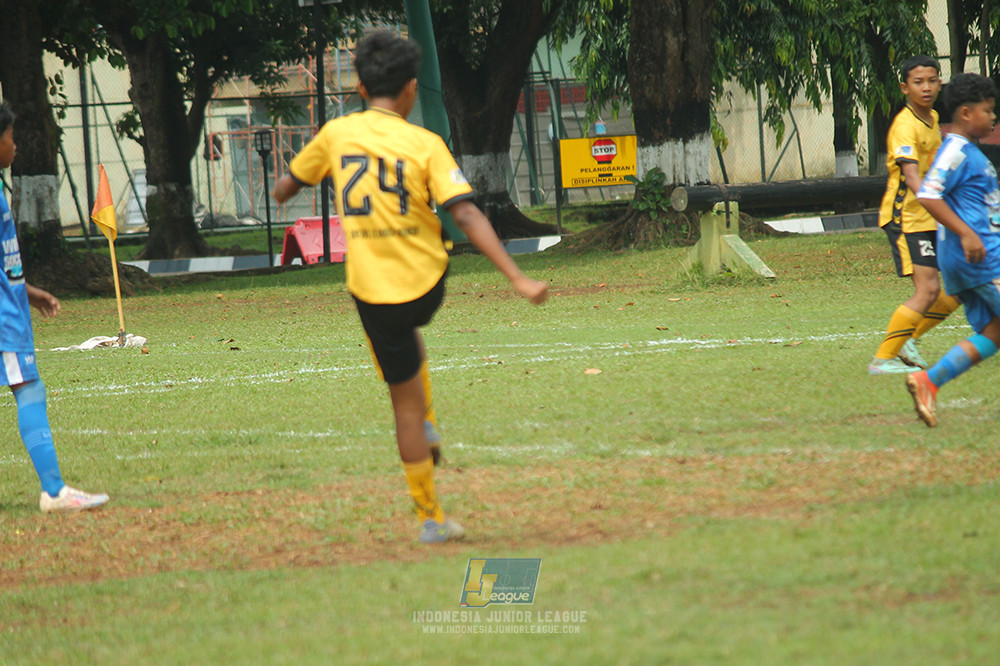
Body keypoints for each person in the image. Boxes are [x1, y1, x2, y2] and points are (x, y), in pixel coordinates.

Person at [272, 31, 548, 543]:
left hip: (373, 291)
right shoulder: (425, 143)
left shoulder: (336, 135)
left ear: (358, 87)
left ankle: (430, 517)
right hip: (428, 283)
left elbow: (287, 185)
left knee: (401, 394)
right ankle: (428, 420)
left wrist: (288, 183)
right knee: (406, 336)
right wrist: (518, 277)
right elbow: (464, 211)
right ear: (411, 89)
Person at [0, 101, 109, 510]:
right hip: (4, 319)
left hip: (12, 304)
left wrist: (29, 291)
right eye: (10, 137)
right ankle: (54, 491)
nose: (15, 146)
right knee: (29, 389)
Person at [906, 72, 1000, 427]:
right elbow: (929, 193)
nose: (993, 117)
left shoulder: (969, 152)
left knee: (994, 333)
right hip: (981, 259)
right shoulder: (956, 150)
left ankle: (928, 381)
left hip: (976, 257)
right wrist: (966, 233)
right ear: (965, 113)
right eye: (988, 110)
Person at [869, 55, 961, 375]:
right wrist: (949, 215)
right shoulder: (904, 126)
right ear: (904, 88)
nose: (926, 88)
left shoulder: (933, 118)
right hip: (906, 218)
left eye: (932, 81)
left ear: (939, 82)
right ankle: (883, 359)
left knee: (955, 290)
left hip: (929, 217)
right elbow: (913, 179)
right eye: (918, 82)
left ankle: (906, 339)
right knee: (928, 290)